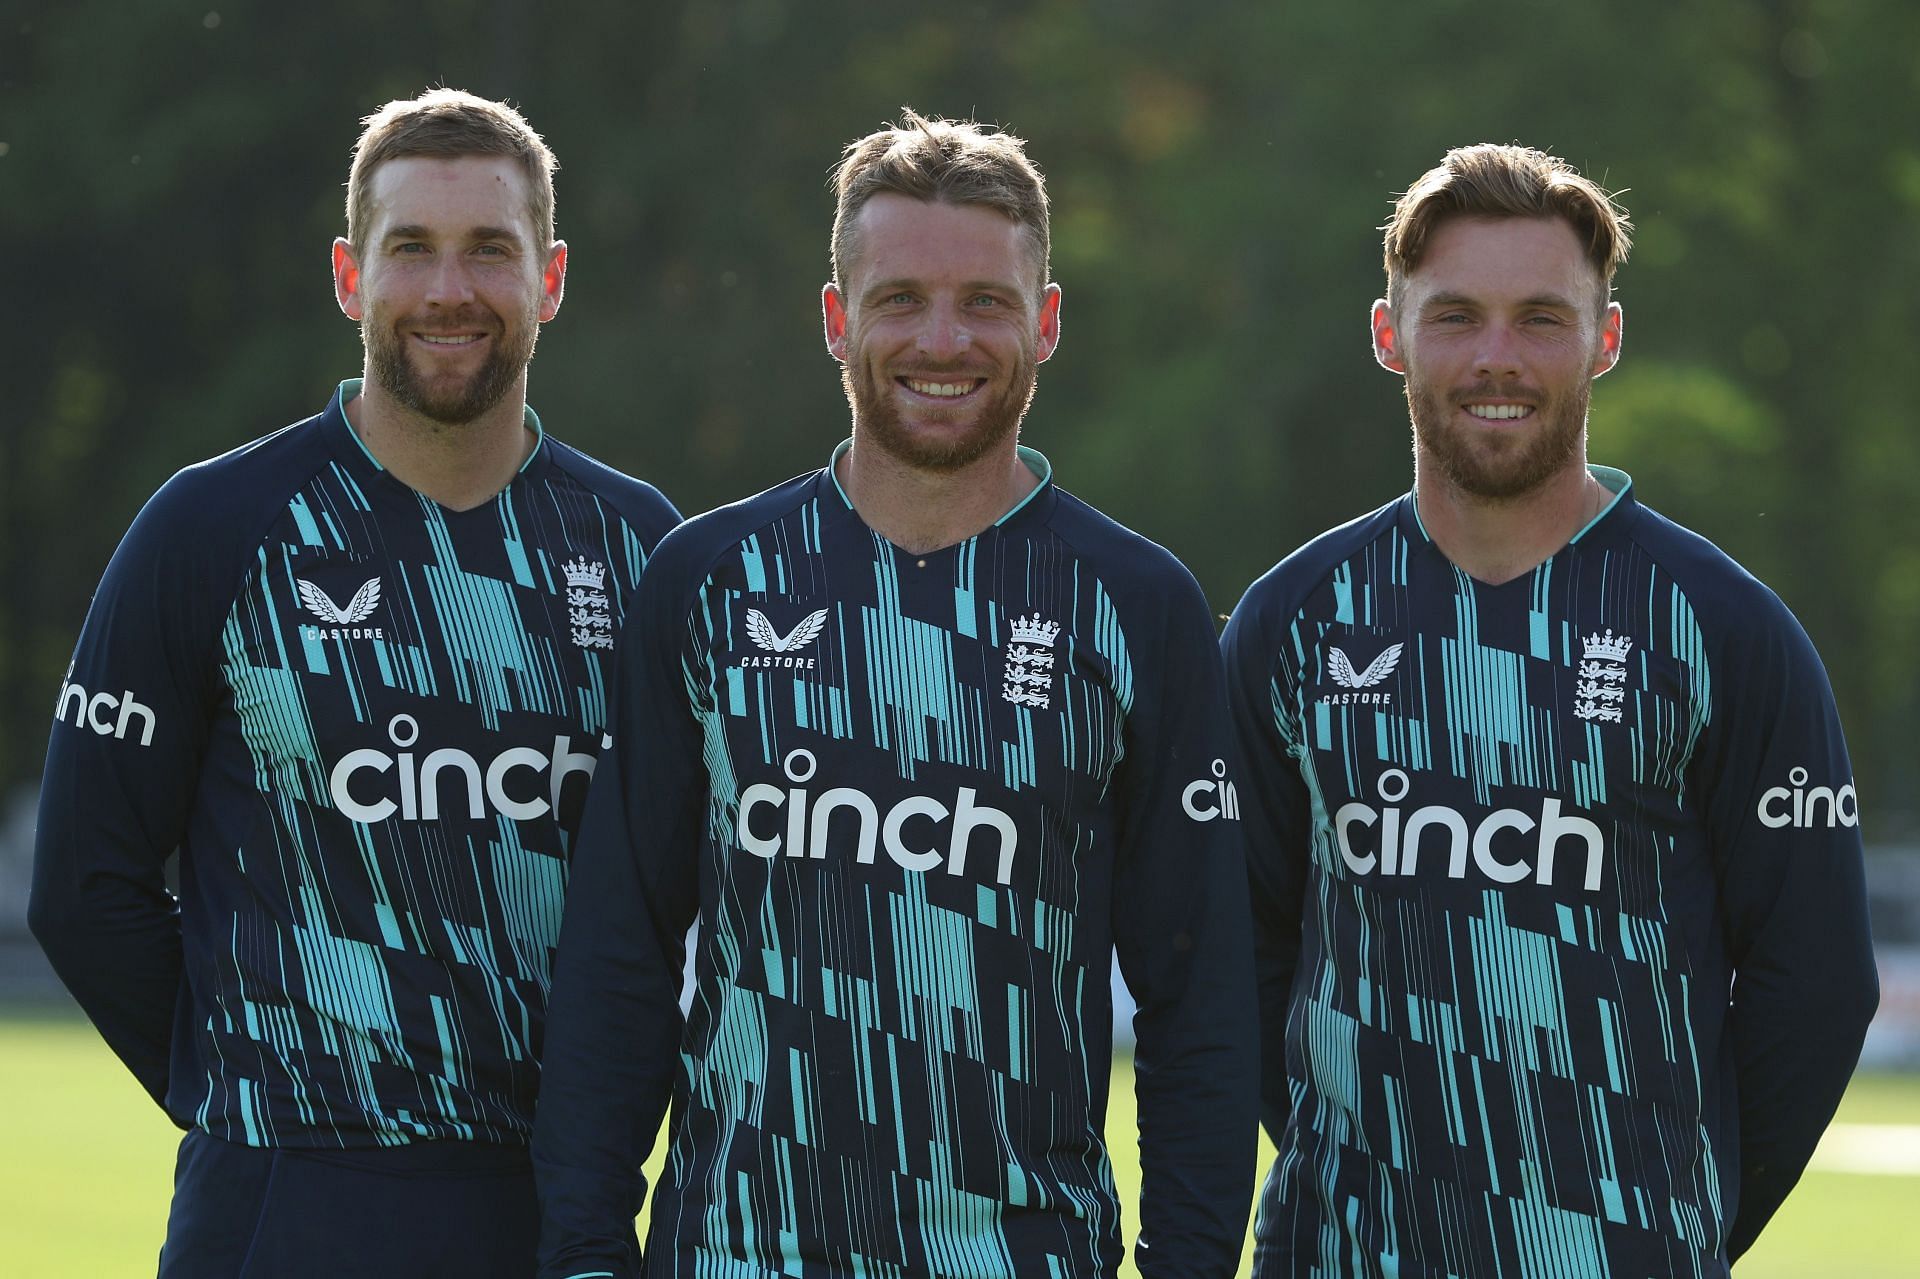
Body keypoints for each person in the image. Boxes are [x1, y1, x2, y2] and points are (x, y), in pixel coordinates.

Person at [532, 110, 1258, 1278]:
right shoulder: (709, 582)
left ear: (1048, 322)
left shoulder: (1138, 604)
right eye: (900, 298)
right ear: (835, 320)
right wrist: (582, 1250)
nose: (943, 337)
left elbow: (1200, 1003)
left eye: (985, 301)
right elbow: (618, 955)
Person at [30, 88, 680, 1277]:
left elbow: (679, 899)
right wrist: (249, 1074)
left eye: (491, 249)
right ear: (348, 274)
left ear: (553, 277)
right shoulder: (214, 524)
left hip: (549, 1209)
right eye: (411, 250)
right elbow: (84, 884)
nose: (450, 290)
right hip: (281, 1192)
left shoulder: (640, 547)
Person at [1222, 142, 1879, 1276]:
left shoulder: (1723, 629)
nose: (1496, 358)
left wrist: (1670, 1217)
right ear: (1390, 336)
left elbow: (1815, 985)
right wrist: (1368, 1185)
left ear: (1604, 341)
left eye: (1540, 318)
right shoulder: (1293, 621)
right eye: (1455, 316)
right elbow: (1233, 950)